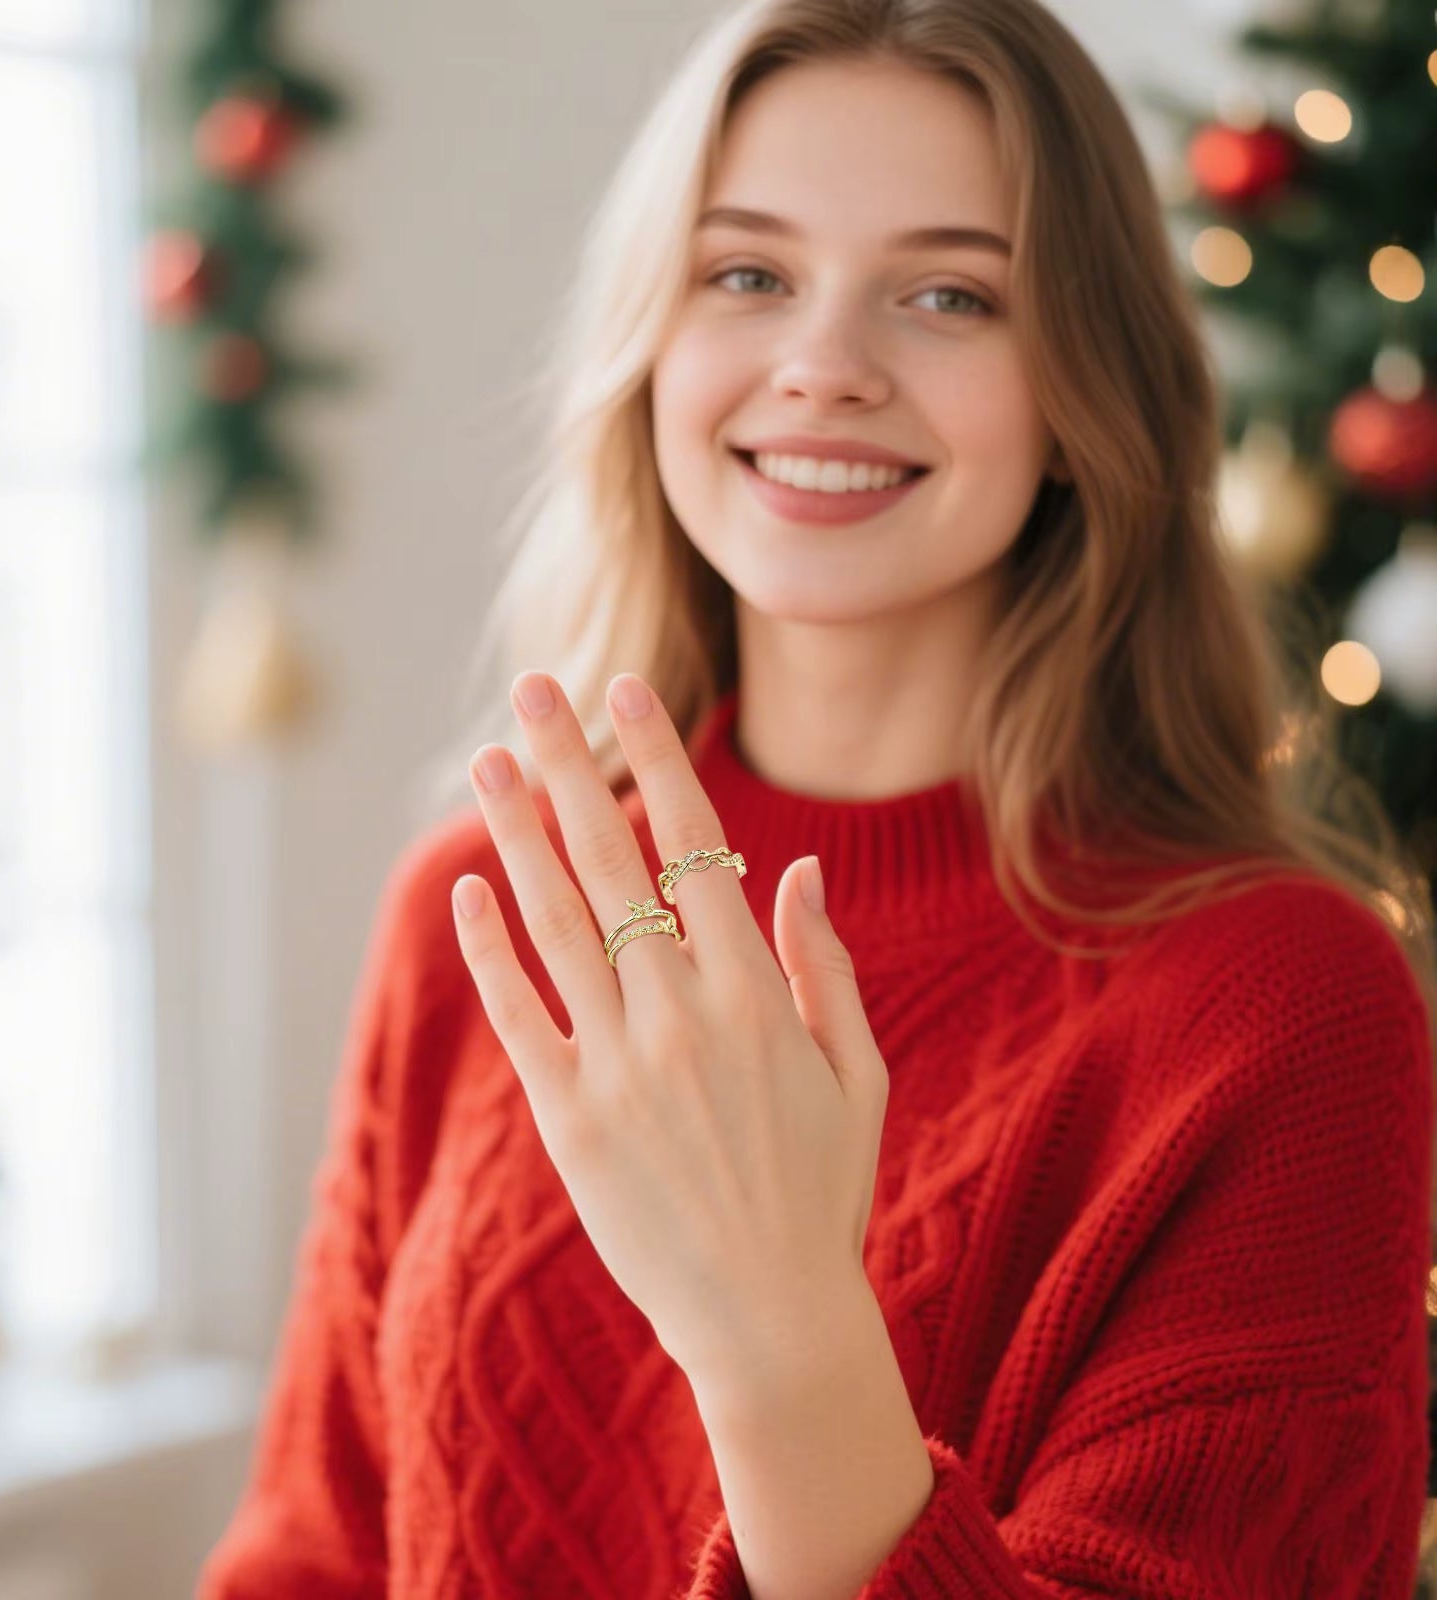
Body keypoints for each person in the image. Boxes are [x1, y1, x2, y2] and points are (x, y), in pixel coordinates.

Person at [197, 0, 1437, 1594]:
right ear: (651, 342)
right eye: (748, 274)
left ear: (1084, 391)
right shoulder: (483, 921)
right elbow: (309, 1549)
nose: (825, 367)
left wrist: (777, 1328)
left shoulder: (1279, 1008)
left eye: (948, 295)